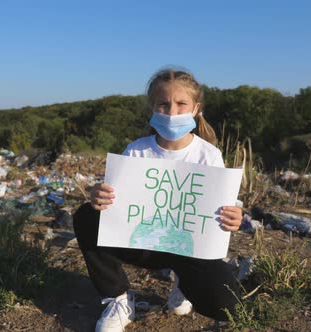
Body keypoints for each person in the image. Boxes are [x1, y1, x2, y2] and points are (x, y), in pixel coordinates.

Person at [73, 68, 243, 332]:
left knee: (228, 304)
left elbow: (223, 207)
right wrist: (100, 197)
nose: (172, 112)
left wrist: (234, 217)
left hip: (189, 249)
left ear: (196, 108)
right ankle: (118, 299)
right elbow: (115, 201)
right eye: (164, 104)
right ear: (152, 108)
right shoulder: (137, 150)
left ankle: (183, 284)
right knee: (86, 215)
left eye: (181, 104)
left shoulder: (209, 155)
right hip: (144, 243)